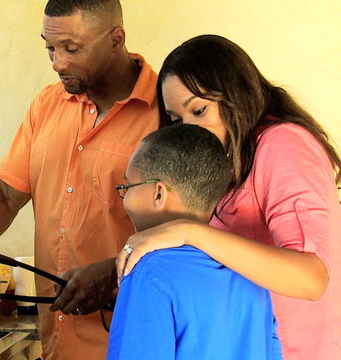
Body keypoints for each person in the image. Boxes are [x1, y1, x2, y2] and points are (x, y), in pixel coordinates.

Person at [0, 1, 159, 359]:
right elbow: (3, 193)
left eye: (71, 49)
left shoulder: (166, 111)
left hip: (134, 344)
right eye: (49, 47)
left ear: (116, 38)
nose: (57, 62)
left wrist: (114, 270)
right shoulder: (46, 104)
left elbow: (196, 232)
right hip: (57, 344)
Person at [115, 34, 341, 359]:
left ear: (236, 97)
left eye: (199, 110)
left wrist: (188, 232)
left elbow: (311, 278)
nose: (190, 130)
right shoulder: (225, 161)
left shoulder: (283, 145)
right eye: (177, 120)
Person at [107, 123, 283, 359]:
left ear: (158, 194)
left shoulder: (148, 272)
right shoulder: (250, 275)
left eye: (127, 186)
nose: (124, 197)